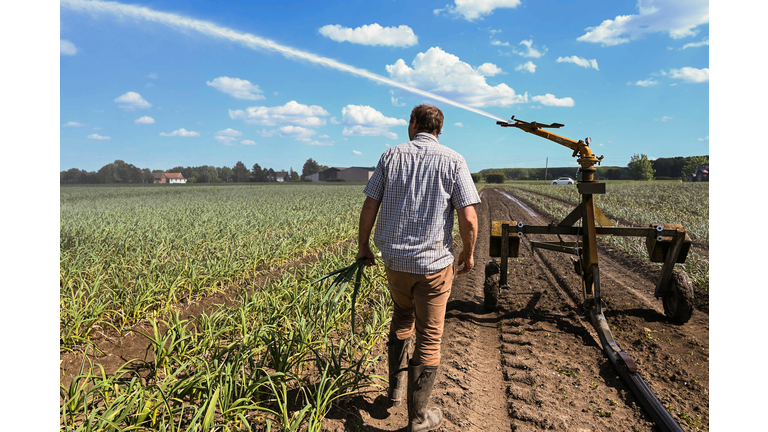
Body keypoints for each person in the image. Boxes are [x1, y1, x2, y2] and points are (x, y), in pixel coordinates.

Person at [356, 104, 480, 432]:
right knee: (430, 337)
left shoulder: (390, 156)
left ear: (414, 124)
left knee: (401, 317)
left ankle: (394, 395)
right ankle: (418, 418)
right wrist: (468, 255)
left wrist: (363, 247)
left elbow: (370, 203)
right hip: (434, 266)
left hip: (395, 263)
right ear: (439, 129)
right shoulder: (454, 160)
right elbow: (468, 217)